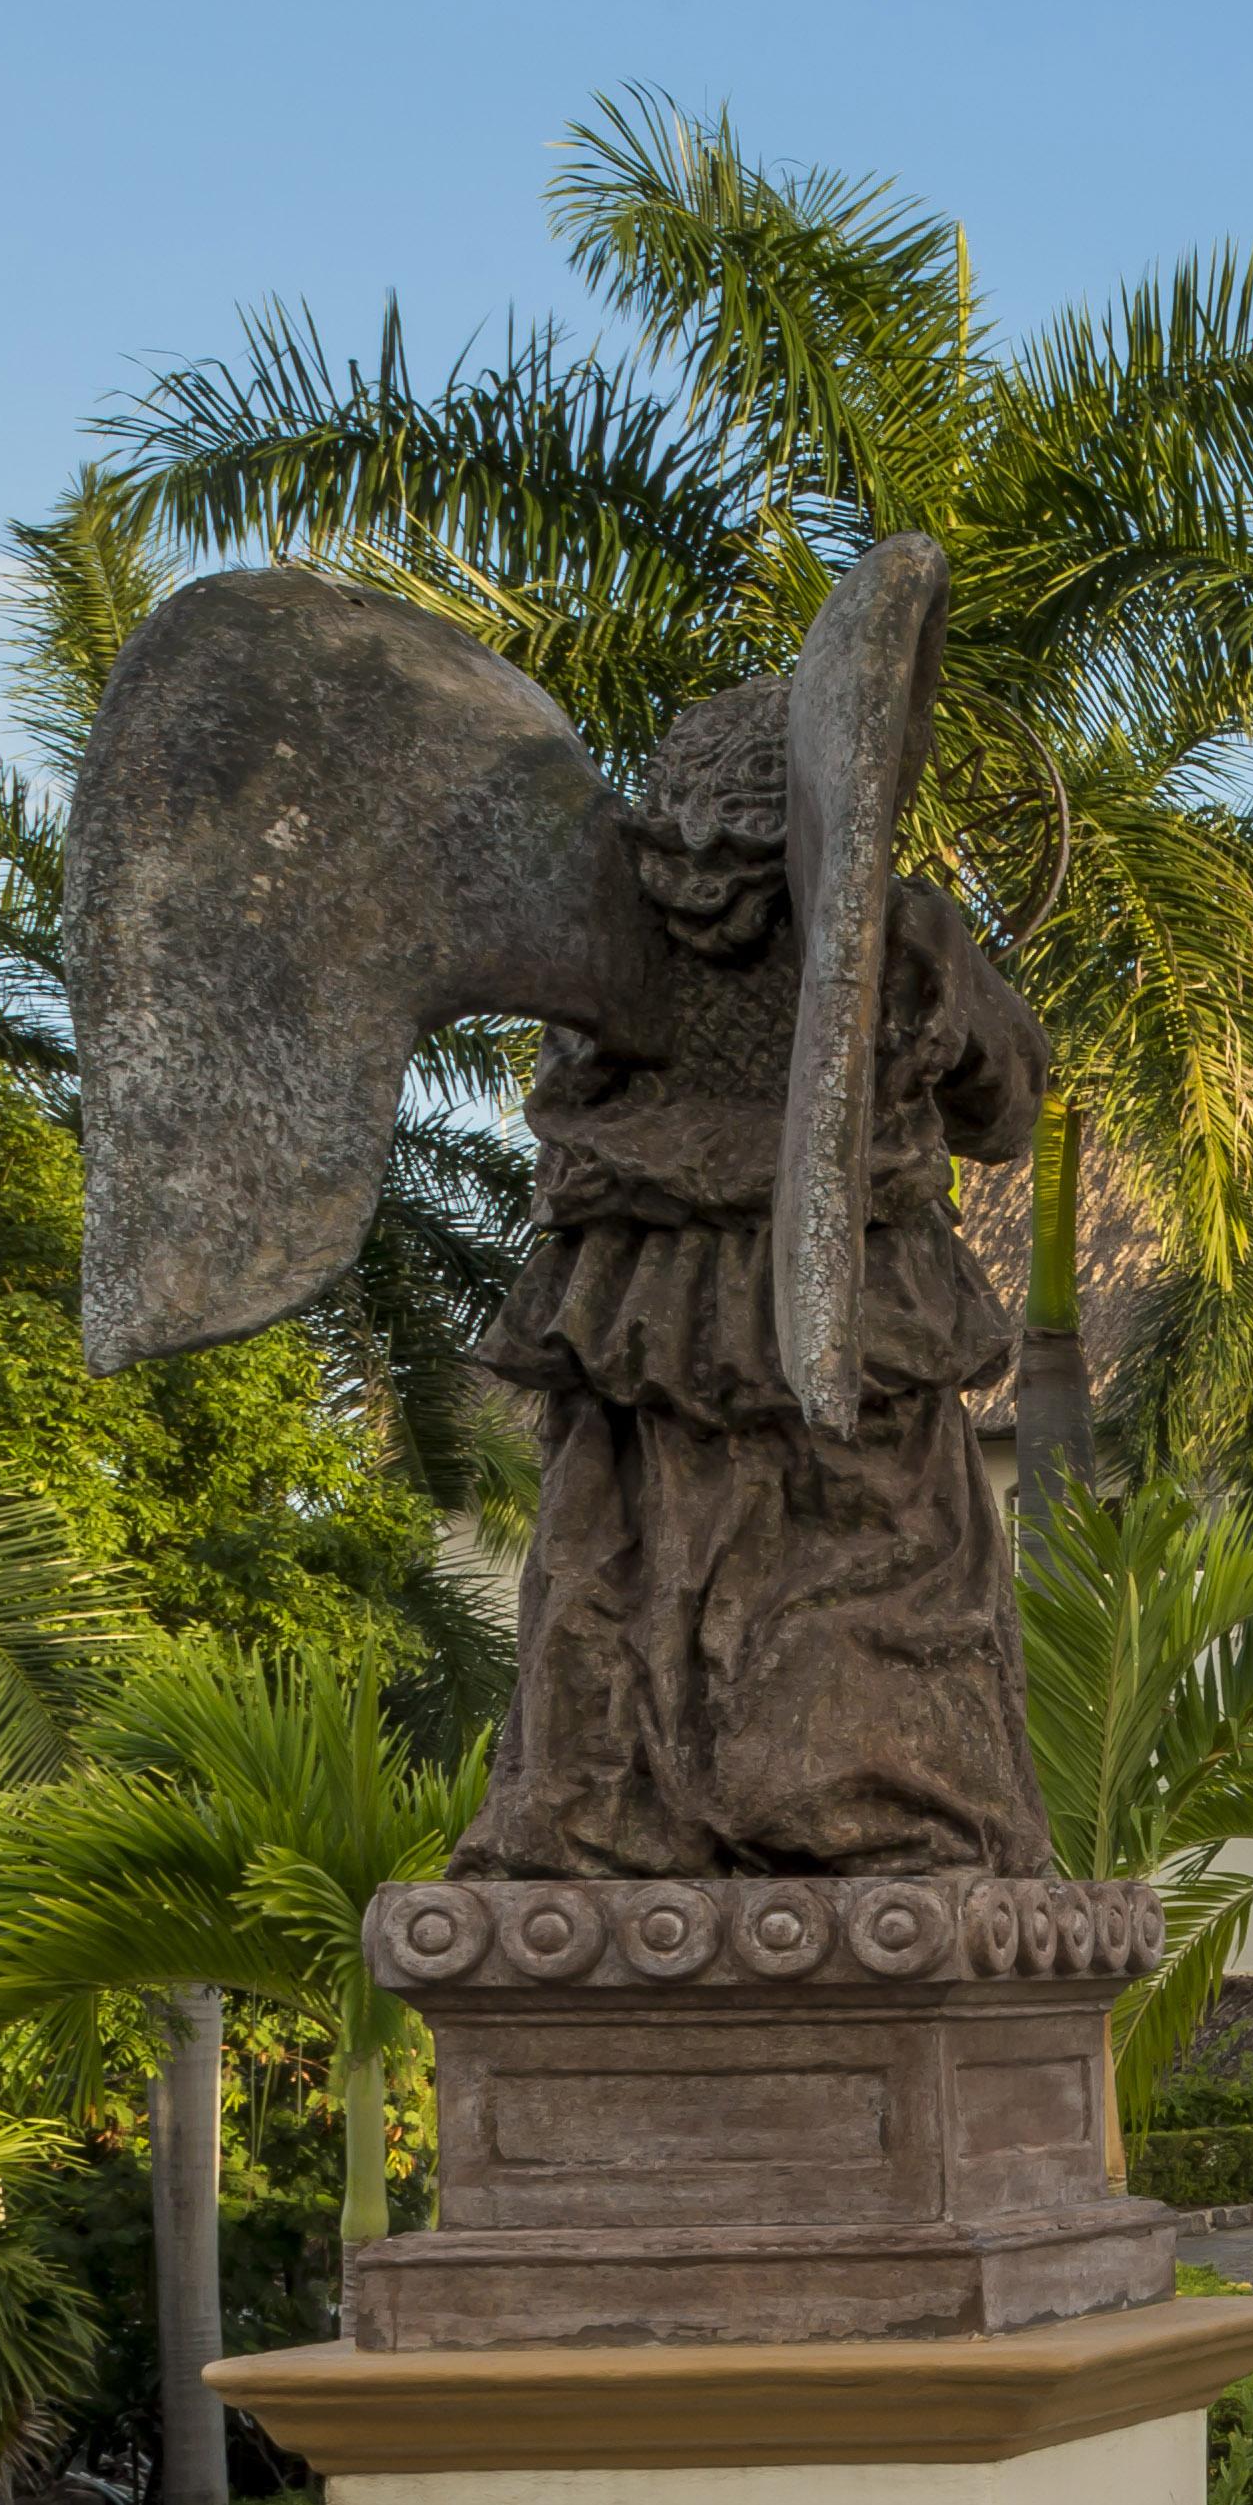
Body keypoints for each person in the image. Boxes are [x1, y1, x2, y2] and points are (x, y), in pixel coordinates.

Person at [455, 675, 1057, 1878]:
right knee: (860, 1556)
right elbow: (1007, 1109)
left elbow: (567, 1109)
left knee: (622, 1562)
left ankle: (610, 1812)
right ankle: (863, 1806)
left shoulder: (603, 933)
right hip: (818, 1289)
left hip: (662, 1292)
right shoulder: (892, 925)